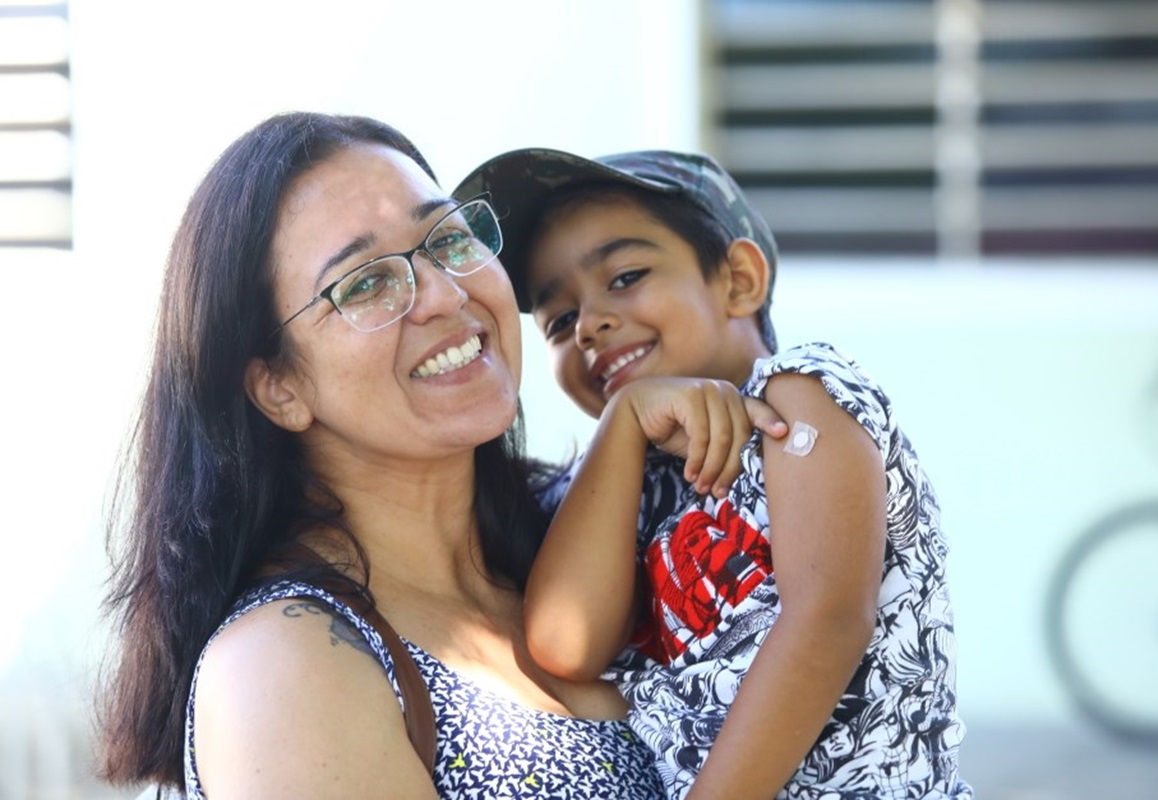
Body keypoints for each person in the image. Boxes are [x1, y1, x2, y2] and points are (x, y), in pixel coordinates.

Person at [95, 113, 781, 799]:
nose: (448, 295)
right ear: (279, 387)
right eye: (364, 283)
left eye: (449, 239)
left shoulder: (591, 538)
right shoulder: (283, 663)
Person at [454, 148, 973, 799]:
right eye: (558, 320)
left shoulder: (797, 397)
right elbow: (565, 646)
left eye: (625, 276)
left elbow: (827, 622)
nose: (589, 325)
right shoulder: (613, 484)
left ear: (737, 281)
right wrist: (623, 422)